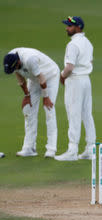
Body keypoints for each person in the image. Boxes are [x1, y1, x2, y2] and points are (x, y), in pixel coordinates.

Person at [3, 49, 60, 158]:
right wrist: (26, 95)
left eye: (14, 67)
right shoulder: (11, 59)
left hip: (50, 76)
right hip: (34, 78)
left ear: (18, 62)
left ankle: (51, 149)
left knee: (49, 109)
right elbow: (19, 77)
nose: (14, 70)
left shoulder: (30, 59)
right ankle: (29, 148)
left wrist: (46, 96)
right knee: (28, 109)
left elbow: (42, 78)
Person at [55, 16, 96, 161]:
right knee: (87, 114)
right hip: (86, 80)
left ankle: (72, 150)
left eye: (69, 26)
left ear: (78, 27)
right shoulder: (88, 42)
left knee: (74, 113)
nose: (67, 28)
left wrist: (62, 76)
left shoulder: (72, 45)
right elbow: (90, 61)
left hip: (75, 81)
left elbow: (69, 67)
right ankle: (91, 149)